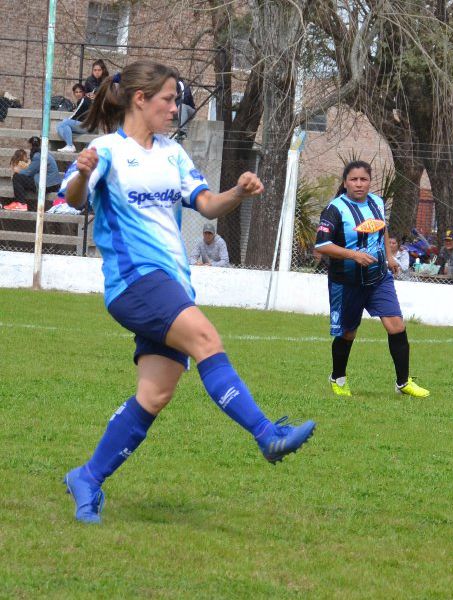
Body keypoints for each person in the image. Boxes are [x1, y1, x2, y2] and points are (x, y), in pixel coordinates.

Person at [59, 61, 316, 525]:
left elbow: (207, 204)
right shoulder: (107, 151)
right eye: (169, 100)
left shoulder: (173, 154)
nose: (176, 108)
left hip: (171, 284)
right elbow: (75, 199)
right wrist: (80, 172)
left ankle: (87, 477)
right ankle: (265, 434)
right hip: (135, 281)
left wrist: (238, 191)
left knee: (154, 395)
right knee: (206, 341)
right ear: (141, 99)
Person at [314, 160, 430, 399]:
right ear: (345, 182)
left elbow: (382, 229)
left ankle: (403, 382)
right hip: (347, 282)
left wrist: (389, 256)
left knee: (396, 325)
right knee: (348, 333)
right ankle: (338, 377)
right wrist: (353, 255)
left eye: (363, 179)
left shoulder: (377, 202)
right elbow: (322, 245)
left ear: (369, 181)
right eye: (354, 179)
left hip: (378, 278)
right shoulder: (335, 209)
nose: (359, 184)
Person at [11, 136, 63, 211]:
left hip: (48, 184)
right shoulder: (44, 153)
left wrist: (17, 170)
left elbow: (28, 173)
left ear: (30, 146)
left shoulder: (37, 156)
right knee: (20, 177)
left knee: (17, 177)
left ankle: (21, 204)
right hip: (52, 183)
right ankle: (20, 203)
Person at [56, 83, 92, 153]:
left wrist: (66, 121)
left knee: (63, 123)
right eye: (76, 92)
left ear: (83, 92)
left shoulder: (84, 100)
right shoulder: (81, 101)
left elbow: (76, 114)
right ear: (74, 93)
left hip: (87, 126)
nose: (78, 94)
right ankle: (70, 145)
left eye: (80, 92)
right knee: (62, 126)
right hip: (82, 125)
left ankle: (70, 145)